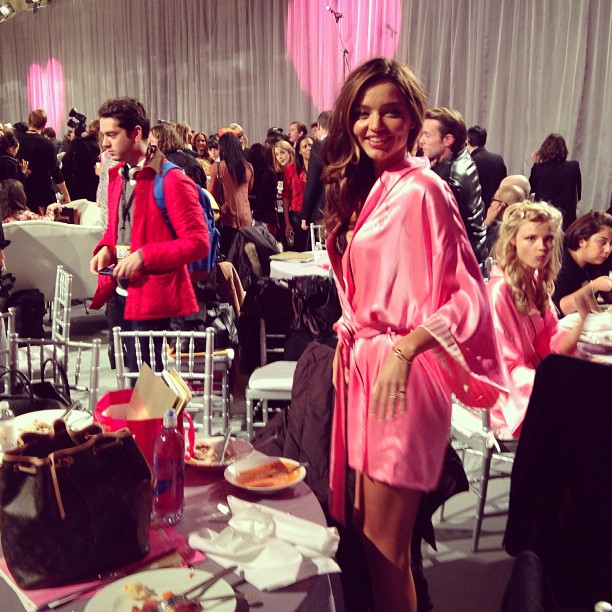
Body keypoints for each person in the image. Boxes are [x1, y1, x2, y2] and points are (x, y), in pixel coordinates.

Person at [323, 56, 506, 611]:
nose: (374, 125)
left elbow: (468, 295)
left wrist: (406, 348)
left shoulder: (424, 189)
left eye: (391, 112)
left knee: (387, 551)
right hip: (365, 369)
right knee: (367, 537)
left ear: (413, 119)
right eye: (362, 112)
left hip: (401, 376)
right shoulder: (371, 186)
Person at [89, 97, 209, 373]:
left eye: (112, 135)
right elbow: (117, 228)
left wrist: (144, 256)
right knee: (128, 375)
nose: (105, 143)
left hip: (152, 298)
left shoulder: (172, 179)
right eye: (103, 136)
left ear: (136, 133)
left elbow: (198, 243)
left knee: (146, 383)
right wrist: (106, 249)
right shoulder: (118, 174)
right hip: (120, 293)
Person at [487, 201, 587, 437]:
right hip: (509, 396)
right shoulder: (500, 291)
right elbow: (505, 369)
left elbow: (555, 346)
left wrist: (585, 320)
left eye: (549, 239)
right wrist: (558, 383)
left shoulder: (536, 283)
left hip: (537, 379)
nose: (542, 247)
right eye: (531, 238)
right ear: (513, 239)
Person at [419, 107, 487, 265]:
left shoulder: (447, 180)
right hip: (471, 258)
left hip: (462, 265)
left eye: (427, 135)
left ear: (448, 140)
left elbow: (440, 236)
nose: (421, 141)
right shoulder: (462, 156)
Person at [552, 211, 612, 316]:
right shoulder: (560, 263)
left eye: (611, 244)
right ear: (582, 241)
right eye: (602, 242)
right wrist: (593, 286)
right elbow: (557, 309)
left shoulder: (596, 262)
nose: (608, 249)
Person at [208, 132, 253, 256]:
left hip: (226, 217)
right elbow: (249, 189)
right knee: (244, 255)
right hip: (246, 217)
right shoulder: (248, 167)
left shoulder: (217, 167)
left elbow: (211, 195)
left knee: (227, 254)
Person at [16, 109, 70, 212]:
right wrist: (66, 194)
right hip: (42, 193)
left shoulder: (17, 140)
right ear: (44, 125)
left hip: (22, 192)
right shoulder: (47, 144)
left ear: (29, 122)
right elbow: (55, 172)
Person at [529, 133, 581, 230]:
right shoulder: (573, 166)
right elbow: (578, 194)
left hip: (544, 216)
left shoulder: (539, 169)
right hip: (566, 218)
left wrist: (536, 164)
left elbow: (531, 189)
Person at [149, 123, 207, 188]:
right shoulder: (192, 160)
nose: (149, 145)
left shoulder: (161, 164)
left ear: (161, 142)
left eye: (151, 141)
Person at [301, 110, 331, 231]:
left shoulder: (319, 146)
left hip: (324, 209)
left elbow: (312, 182)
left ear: (318, 126)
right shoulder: (346, 144)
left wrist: (305, 214)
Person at [466, 125, 507, 209]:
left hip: (477, 208)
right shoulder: (498, 158)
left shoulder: (469, 161)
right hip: (496, 206)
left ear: (467, 140)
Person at [283, 135, 312, 250]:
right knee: (299, 250)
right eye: (305, 146)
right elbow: (286, 196)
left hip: (314, 215)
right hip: (296, 216)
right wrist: (287, 223)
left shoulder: (320, 167)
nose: (309, 148)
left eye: (310, 145)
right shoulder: (291, 169)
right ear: (299, 151)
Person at [61, 119, 101, 201]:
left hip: (77, 187)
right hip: (97, 187)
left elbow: (66, 165)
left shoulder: (78, 143)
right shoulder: (103, 146)